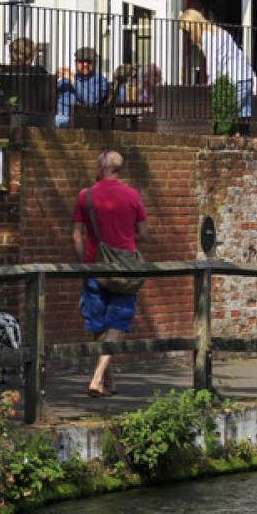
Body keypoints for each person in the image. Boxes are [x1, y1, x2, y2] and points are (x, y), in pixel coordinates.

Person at [71, 149, 146, 398]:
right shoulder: (133, 196)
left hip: (95, 266)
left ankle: (102, 379)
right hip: (124, 268)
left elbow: (77, 235)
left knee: (98, 323)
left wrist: (84, 264)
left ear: (102, 167)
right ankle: (101, 379)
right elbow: (144, 233)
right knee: (117, 322)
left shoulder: (86, 196)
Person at [180, 10, 253, 120]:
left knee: (223, 115)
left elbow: (213, 64)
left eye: (186, 30)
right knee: (244, 115)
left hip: (236, 78)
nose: (187, 34)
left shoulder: (207, 37)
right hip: (247, 76)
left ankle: (226, 136)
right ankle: (244, 137)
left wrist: (212, 86)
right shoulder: (219, 31)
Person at [54, 48, 110, 128]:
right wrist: (55, 77)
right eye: (81, 61)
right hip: (55, 115)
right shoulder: (66, 78)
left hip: (78, 120)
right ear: (75, 63)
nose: (85, 64)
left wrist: (73, 81)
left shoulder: (100, 81)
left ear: (95, 63)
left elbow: (91, 100)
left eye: (89, 62)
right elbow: (49, 97)